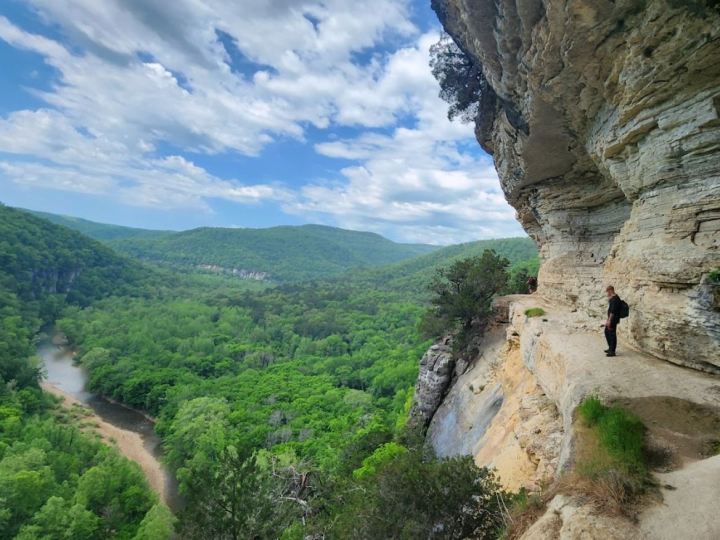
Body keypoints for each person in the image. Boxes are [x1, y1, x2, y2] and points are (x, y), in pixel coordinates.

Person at [604, 285, 622, 357]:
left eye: (608, 292)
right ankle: (610, 348)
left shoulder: (615, 299)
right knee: (607, 332)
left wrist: (609, 321)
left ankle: (612, 351)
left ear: (611, 290)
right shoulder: (613, 298)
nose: (607, 293)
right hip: (612, 319)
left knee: (612, 334)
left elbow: (612, 312)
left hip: (613, 320)